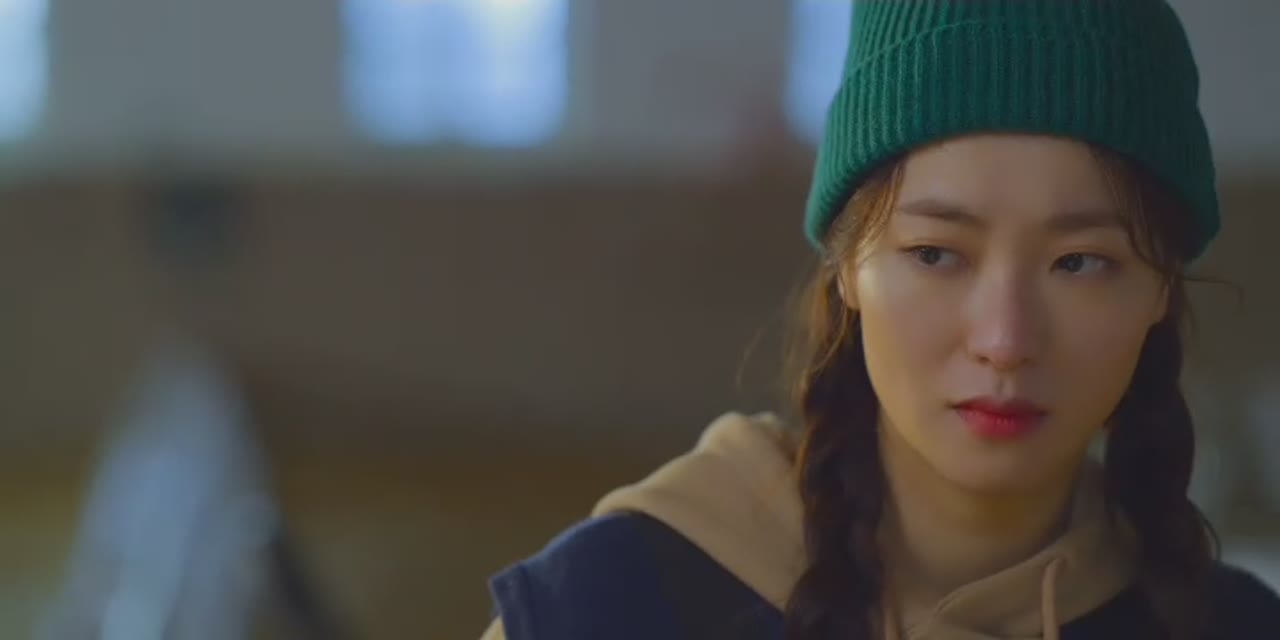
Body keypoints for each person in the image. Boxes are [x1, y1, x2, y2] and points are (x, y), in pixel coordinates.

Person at [479, 1, 1280, 638]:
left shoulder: (1233, 625)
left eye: (1079, 262)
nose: (1004, 341)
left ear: (1160, 290)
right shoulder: (611, 603)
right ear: (847, 265)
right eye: (935, 253)